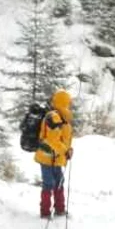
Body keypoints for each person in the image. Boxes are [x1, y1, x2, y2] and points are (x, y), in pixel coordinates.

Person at [34, 88, 74, 218]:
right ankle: (45, 212)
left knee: (59, 182)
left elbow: (64, 139)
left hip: (57, 158)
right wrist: (65, 150)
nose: (70, 105)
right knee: (48, 184)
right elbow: (53, 140)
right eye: (68, 102)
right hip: (47, 157)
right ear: (64, 102)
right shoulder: (53, 117)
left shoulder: (64, 118)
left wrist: (69, 150)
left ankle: (60, 209)